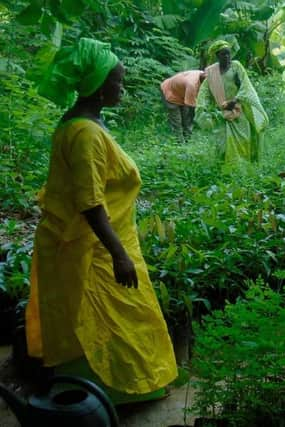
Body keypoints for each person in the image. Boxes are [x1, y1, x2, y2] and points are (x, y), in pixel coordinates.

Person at [26, 38, 178, 405]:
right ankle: (110, 395)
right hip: (93, 251)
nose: (121, 88)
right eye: (117, 82)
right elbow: (90, 202)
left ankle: (111, 390)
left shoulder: (82, 125)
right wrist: (118, 255)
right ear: (97, 87)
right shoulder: (86, 135)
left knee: (118, 320)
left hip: (95, 244)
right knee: (107, 321)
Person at [196, 40, 268, 164]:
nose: (227, 57)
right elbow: (204, 91)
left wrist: (234, 101)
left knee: (244, 140)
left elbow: (246, 86)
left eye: (228, 54)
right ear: (217, 56)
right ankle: (226, 170)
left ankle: (243, 168)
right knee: (223, 144)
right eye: (223, 54)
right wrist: (202, 107)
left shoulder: (236, 66)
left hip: (239, 110)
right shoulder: (212, 72)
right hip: (222, 113)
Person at [160, 69, 206, 143]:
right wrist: (195, 120)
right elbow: (191, 110)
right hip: (170, 92)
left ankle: (188, 140)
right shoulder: (192, 84)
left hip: (182, 94)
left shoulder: (202, 74)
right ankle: (180, 144)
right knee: (177, 121)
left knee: (186, 118)